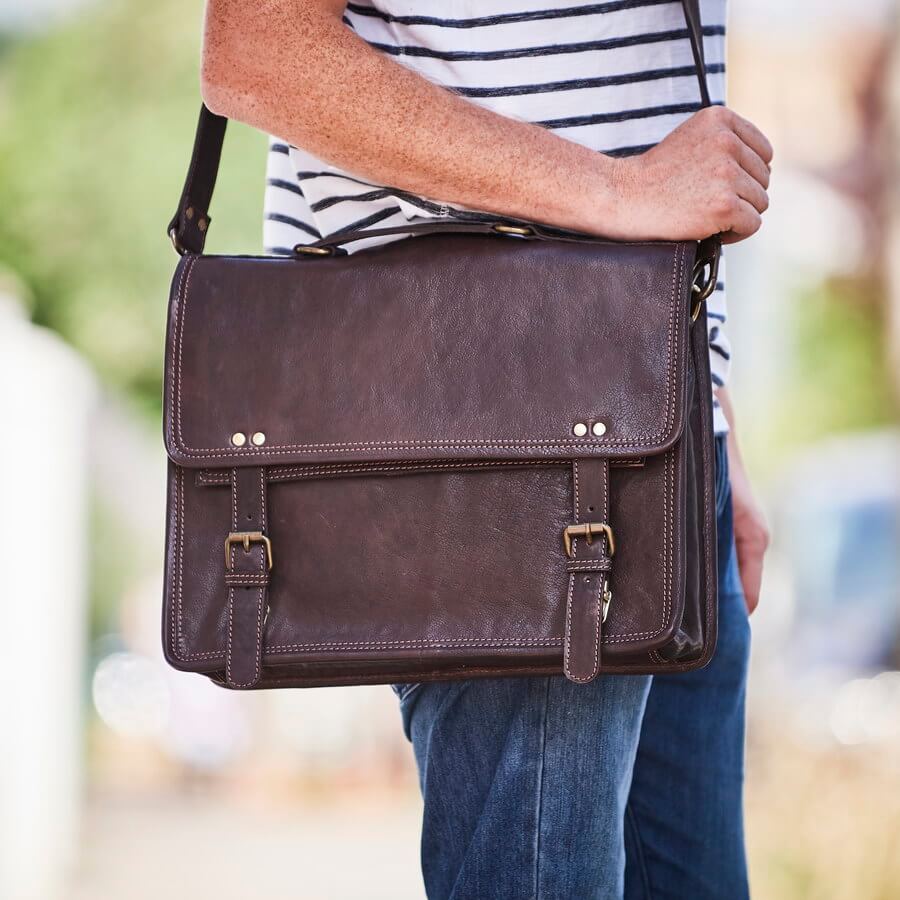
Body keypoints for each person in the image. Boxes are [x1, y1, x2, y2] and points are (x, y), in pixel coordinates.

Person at [199, 1, 771, 897]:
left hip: (660, 427)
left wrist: (705, 410)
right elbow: (257, 51)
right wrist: (622, 193)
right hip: (502, 451)